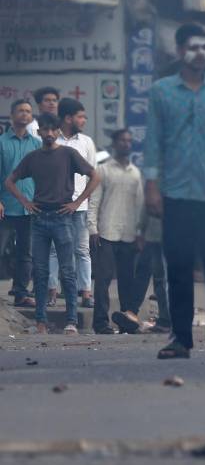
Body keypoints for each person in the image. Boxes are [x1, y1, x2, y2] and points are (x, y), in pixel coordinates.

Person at [144, 23, 205, 360]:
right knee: (179, 269)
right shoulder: (161, 92)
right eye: (194, 47)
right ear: (179, 52)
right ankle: (180, 339)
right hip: (175, 194)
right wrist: (152, 186)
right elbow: (153, 142)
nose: (201, 53)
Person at [4, 112, 100, 334]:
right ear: (38, 132)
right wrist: (25, 201)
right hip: (38, 219)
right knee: (39, 271)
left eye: (52, 129)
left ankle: (71, 321)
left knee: (67, 271)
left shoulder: (69, 154)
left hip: (63, 217)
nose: (48, 133)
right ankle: (41, 321)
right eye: (44, 130)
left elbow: (95, 176)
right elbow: (10, 181)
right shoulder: (33, 157)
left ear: (58, 131)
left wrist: (76, 203)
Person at [88, 129, 145, 334]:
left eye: (129, 141)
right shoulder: (103, 170)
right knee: (102, 280)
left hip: (129, 234)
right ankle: (100, 323)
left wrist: (140, 233)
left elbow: (139, 206)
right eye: (122, 140)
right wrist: (92, 229)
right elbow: (94, 201)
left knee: (127, 281)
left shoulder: (135, 173)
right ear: (114, 143)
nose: (126, 144)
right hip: (106, 232)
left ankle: (125, 321)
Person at [56, 98, 97, 309]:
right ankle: (52, 292)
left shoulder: (86, 142)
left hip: (79, 207)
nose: (84, 120)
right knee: (55, 251)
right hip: (54, 206)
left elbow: (93, 175)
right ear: (68, 118)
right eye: (80, 116)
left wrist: (85, 203)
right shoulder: (53, 140)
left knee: (82, 250)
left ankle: (86, 293)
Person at [1, 99, 39, 308]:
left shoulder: (37, 144)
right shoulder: (1, 142)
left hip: (29, 207)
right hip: (5, 207)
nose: (25, 114)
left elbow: (42, 175)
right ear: (12, 115)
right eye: (21, 111)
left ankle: (21, 294)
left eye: (28, 111)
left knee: (26, 253)